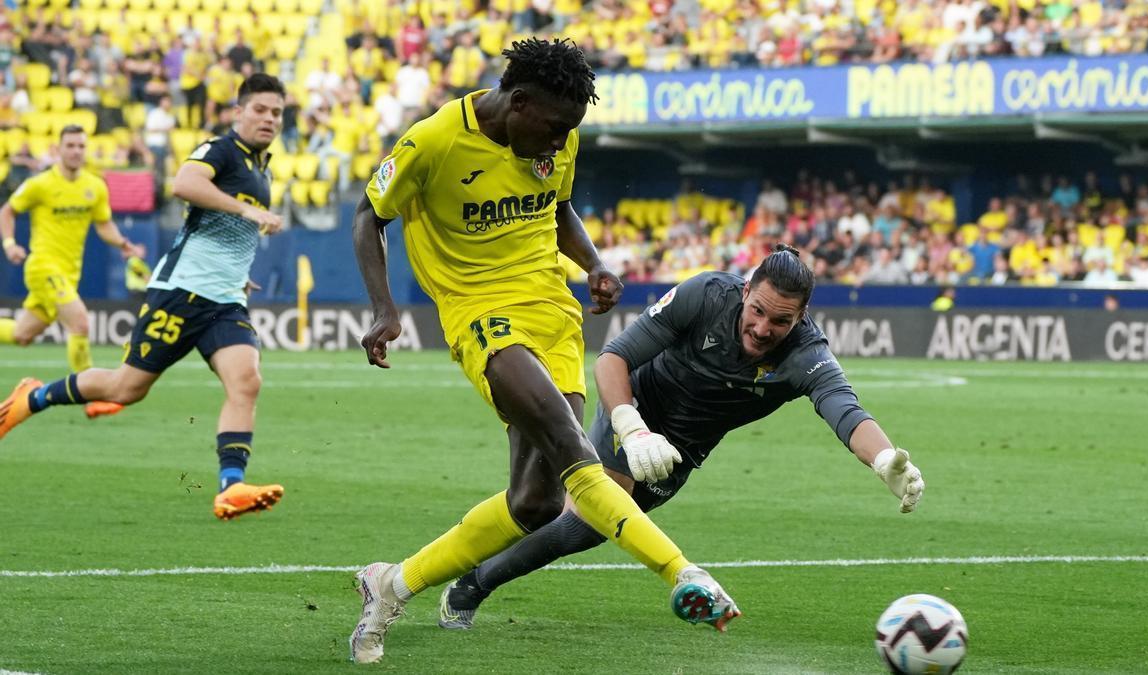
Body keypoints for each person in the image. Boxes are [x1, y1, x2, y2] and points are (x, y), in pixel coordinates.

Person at [349, 38, 737, 665]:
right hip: (482, 313)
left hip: (554, 313)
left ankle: (389, 583)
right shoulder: (435, 140)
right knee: (572, 447)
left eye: (570, 132)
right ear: (519, 102)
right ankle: (682, 572)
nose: (560, 143)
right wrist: (384, 309)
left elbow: (557, 207)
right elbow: (369, 215)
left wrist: (594, 264)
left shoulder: (556, 136)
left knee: (537, 501)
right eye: (555, 129)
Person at [436, 248, 927, 629]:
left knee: (580, 529)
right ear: (745, 290)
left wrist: (884, 459)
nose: (762, 328)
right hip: (633, 406)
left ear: (802, 317)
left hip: (683, 452)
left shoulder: (805, 354)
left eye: (781, 321)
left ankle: (477, 573)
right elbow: (613, 358)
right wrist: (630, 423)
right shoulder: (705, 294)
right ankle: (468, 588)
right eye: (757, 310)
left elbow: (844, 408)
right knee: (588, 515)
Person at [0, 74, 288, 522]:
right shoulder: (221, 149)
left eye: (277, 112)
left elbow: (228, 235)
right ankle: (32, 398)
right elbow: (185, 183)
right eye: (260, 109)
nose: (269, 118)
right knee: (125, 387)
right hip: (181, 292)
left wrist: (238, 274)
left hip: (226, 298)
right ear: (239, 111)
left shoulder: (261, 166)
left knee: (246, 380)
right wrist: (246, 208)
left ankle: (230, 487)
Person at [0, 125, 146, 419]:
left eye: (81, 145)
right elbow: (7, 211)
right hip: (43, 267)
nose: (77, 151)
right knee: (79, 323)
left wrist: (121, 242)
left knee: (23, 334)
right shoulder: (40, 184)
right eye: (71, 145)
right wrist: (10, 243)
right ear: (58, 149)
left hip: (68, 274)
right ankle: (93, 393)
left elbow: (103, 223)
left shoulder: (94, 186)